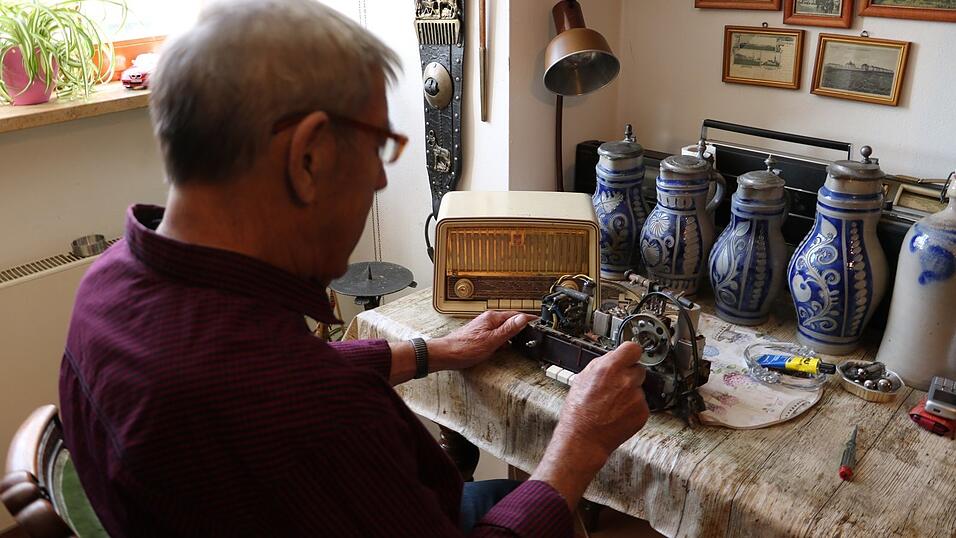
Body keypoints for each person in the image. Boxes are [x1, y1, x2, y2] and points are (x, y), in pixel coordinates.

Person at [58, 1, 650, 536]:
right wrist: (578, 443)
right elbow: (286, 391)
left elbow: (276, 369)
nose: (379, 178)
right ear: (308, 157)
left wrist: (429, 352)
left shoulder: (106, 283)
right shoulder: (311, 421)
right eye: (377, 147)